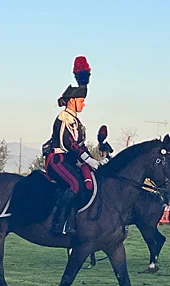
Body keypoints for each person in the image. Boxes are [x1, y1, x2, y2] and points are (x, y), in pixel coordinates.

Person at [43, 56, 105, 235]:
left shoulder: (76, 121)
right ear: (72, 100)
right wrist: (87, 159)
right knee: (75, 184)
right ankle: (59, 224)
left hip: (69, 161)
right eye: (81, 100)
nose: (84, 104)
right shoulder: (64, 118)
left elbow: (81, 145)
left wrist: (93, 160)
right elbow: (69, 143)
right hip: (57, 160)